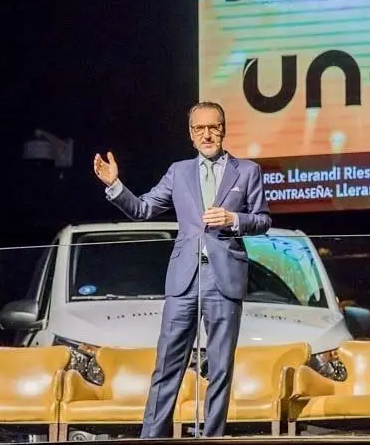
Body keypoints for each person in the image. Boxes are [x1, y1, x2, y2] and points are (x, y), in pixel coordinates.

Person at [92, 101, 272, 438]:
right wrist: (115, 185)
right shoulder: (179, 172)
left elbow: (262, 220)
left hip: (224, 277)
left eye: (213, 127)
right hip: (184, 278)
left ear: (224, 129)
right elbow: (143, 209)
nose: (207, 134)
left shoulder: (248, 171)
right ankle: (152, 436)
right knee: (167, 363)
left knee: (219, 367)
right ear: (191, 134)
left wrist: (233, 219)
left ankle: (212, 437)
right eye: (199, 128)